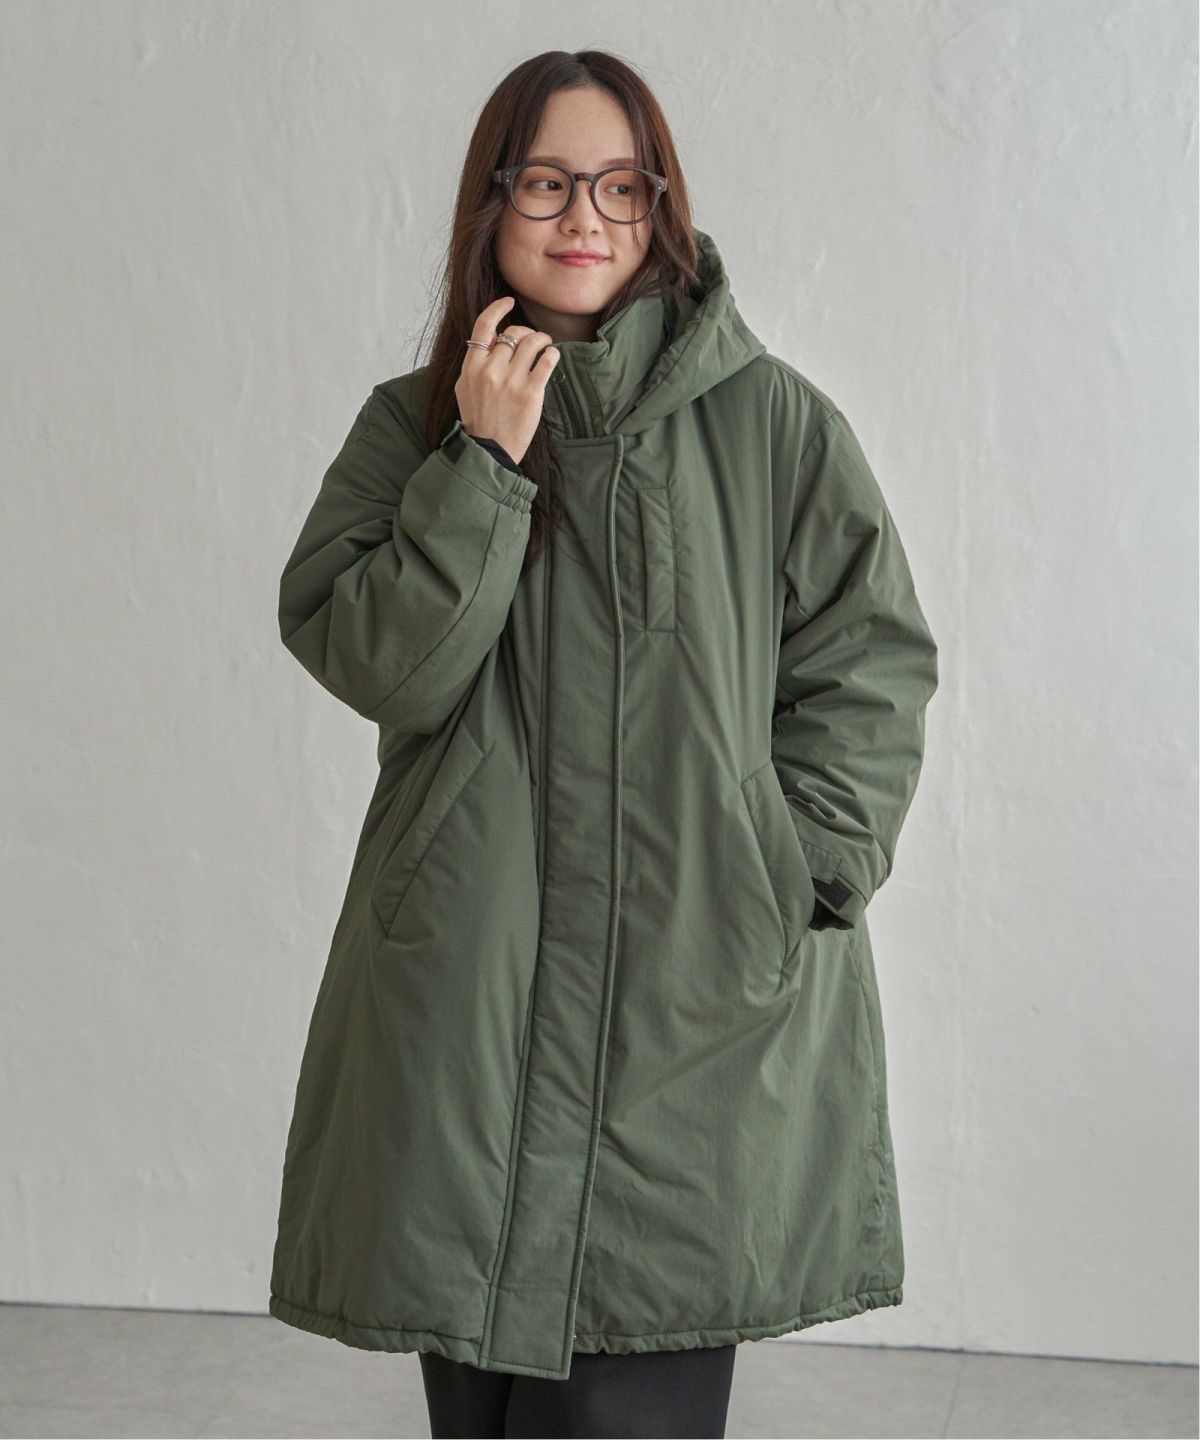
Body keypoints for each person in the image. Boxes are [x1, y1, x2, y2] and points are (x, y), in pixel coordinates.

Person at [267, 49, 939, 1440]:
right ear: (494, 201)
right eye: (550, 182)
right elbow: (379, 663)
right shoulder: (415, 427)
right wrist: (482, 464)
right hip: (467, 1001)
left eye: (622, 185)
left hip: (698, 997)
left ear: (661, 207)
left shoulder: (772, 423)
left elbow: (869, 657)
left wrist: (801, 860)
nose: (586, 216)